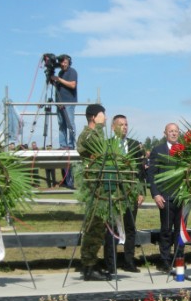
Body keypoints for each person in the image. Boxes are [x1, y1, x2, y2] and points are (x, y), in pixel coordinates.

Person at [103, 114, 145, 274]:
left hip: (131, 192)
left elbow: (140, 171)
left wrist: (141, 191)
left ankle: (129, 261)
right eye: (121, 124)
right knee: (112, 228)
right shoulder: (107, 145)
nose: (125, 127)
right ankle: (111, 264)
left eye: (126, 124)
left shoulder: (134, 145)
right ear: (113, 127)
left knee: (130, 227)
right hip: (113, 193)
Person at [76, 104, 109, 281]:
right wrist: (99, 128)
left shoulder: (97, 134)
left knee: (98, 227)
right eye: (103, 115)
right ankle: (88, 266)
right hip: (92, 188)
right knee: (92, 226)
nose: (105, 117)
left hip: (101, 187)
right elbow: (94, 148)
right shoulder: (88, 135)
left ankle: (93, 263)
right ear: (93, 117)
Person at [148, 122, 184, 272]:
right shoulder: (158, 150)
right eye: (171, 131)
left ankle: (179, 259)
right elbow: (152, 174)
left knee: (180, 231)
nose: (174, 133)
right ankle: (165, 261)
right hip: (166, 197)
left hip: (182, 197)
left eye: (176, 131)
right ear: (165, 133)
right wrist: (156, 194)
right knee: (166, 230)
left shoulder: (185, 150)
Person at [53, 54, 77, 188]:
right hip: (60, 102)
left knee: (70, 124)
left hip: (68, 102)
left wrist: (59, 80)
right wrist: (53, 79)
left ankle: (70, 144)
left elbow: (73, 85)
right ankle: (63, 144)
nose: (63, 64)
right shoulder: (60, 73)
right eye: (61, 62)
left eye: (65, 62)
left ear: (68, 62)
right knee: (61, 125)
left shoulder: (71, 72)